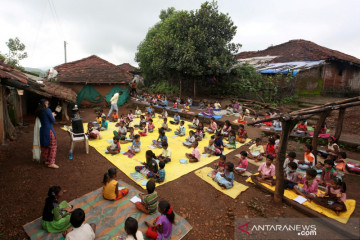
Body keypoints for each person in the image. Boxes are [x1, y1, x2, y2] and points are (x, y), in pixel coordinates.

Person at [36, 99, 59, 168]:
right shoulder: (47, 110)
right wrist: (53, 115)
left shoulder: (39, 111)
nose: (48, 104)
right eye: (47, 103)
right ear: (44, 104)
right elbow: (53, 120)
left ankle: (46, 160)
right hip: (48, 130)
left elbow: (45, 118)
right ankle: (51, 162)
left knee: (44, 146)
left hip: (42, 130)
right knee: (53, 146)